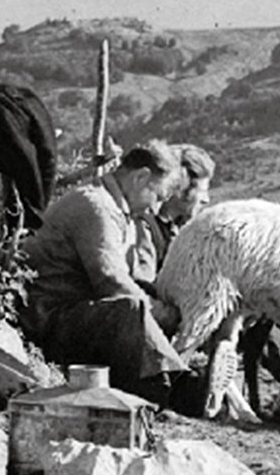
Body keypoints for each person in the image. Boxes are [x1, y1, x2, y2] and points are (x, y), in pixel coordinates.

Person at [18, 138, 188, 404]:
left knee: (140, 302)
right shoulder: (95, 207)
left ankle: (174, 382)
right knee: (130, 309)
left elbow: (134, 278)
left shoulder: (121, 213)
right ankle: (175, 391)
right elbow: (111, 281)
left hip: (77, 313)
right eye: (158, 197)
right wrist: (164, 314)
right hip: (50, 321)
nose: (156, 208)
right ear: (141, 177)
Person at [134, 143, 216, 288]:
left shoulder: (183, 230)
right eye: (202, 191)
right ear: (180, 191)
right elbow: (144, 284)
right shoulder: (145, 229)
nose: (206, 200)